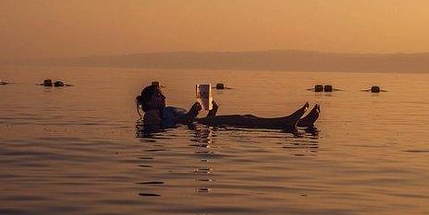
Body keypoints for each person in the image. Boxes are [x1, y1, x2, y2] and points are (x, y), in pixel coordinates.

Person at [136, 84, 320, 129]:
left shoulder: (163, 110)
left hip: (202, 122)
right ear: (149, 102)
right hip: (199, 124)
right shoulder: (151, 115)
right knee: (242, 120)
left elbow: (188, 120)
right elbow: (183, 122)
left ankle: (300, 123)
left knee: (248, 116)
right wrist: (192, 113)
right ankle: (286, 122)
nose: (163, 97)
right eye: (158, 95)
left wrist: (212, 110)